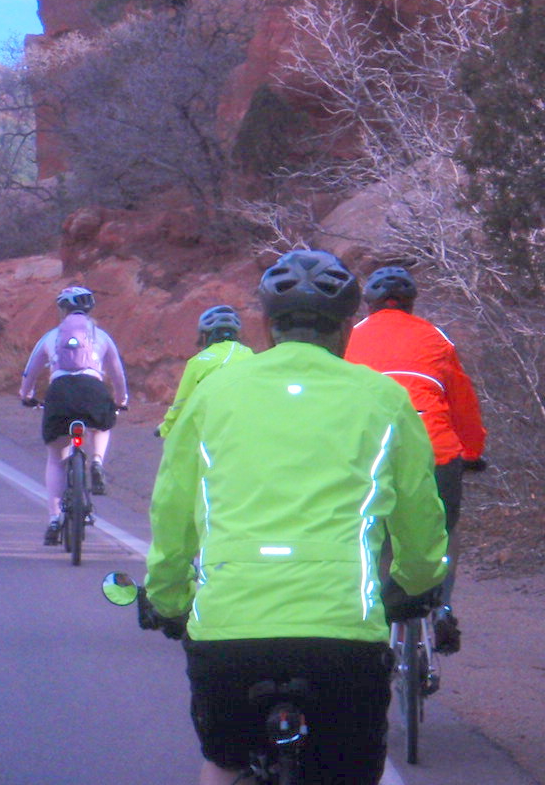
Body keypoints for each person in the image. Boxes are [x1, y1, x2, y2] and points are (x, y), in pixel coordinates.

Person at [144, 249, 448, 785]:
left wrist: (168, 597)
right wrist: (415, 583)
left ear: (265, 324)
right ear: (347, 327)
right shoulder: (384, 397)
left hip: (229, 630)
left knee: (225, 762)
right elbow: (421, 518)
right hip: (344, 634)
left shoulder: (214, 392)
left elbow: (172, 509)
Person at [344, 265, 486, 653]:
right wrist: (471, 451)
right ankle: (442, 607)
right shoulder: (435, 338)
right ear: (411, 304)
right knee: (443, 527)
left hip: (369, 451)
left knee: (375, 531)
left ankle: (372, 615)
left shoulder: (349, 339)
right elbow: (462, 404)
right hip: (434, 449)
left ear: (367, 304)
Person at [18, 285, 129, 545]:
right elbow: (117, 374)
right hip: (93, 389)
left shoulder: (51, 337)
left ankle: (54, 518)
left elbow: (30, 372)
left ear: (63, 310)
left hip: (60, 393)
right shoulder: (101, 337)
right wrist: (121, 401)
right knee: (102, 423)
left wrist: (27, 395)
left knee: (56, 458)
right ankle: (98, 461)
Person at [157, 305, 255, 439]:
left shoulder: (199, 361)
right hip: (250, 428)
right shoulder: (251, 356)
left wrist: (166, 428)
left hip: (216, 431)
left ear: (204, 336)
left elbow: (182, 403)